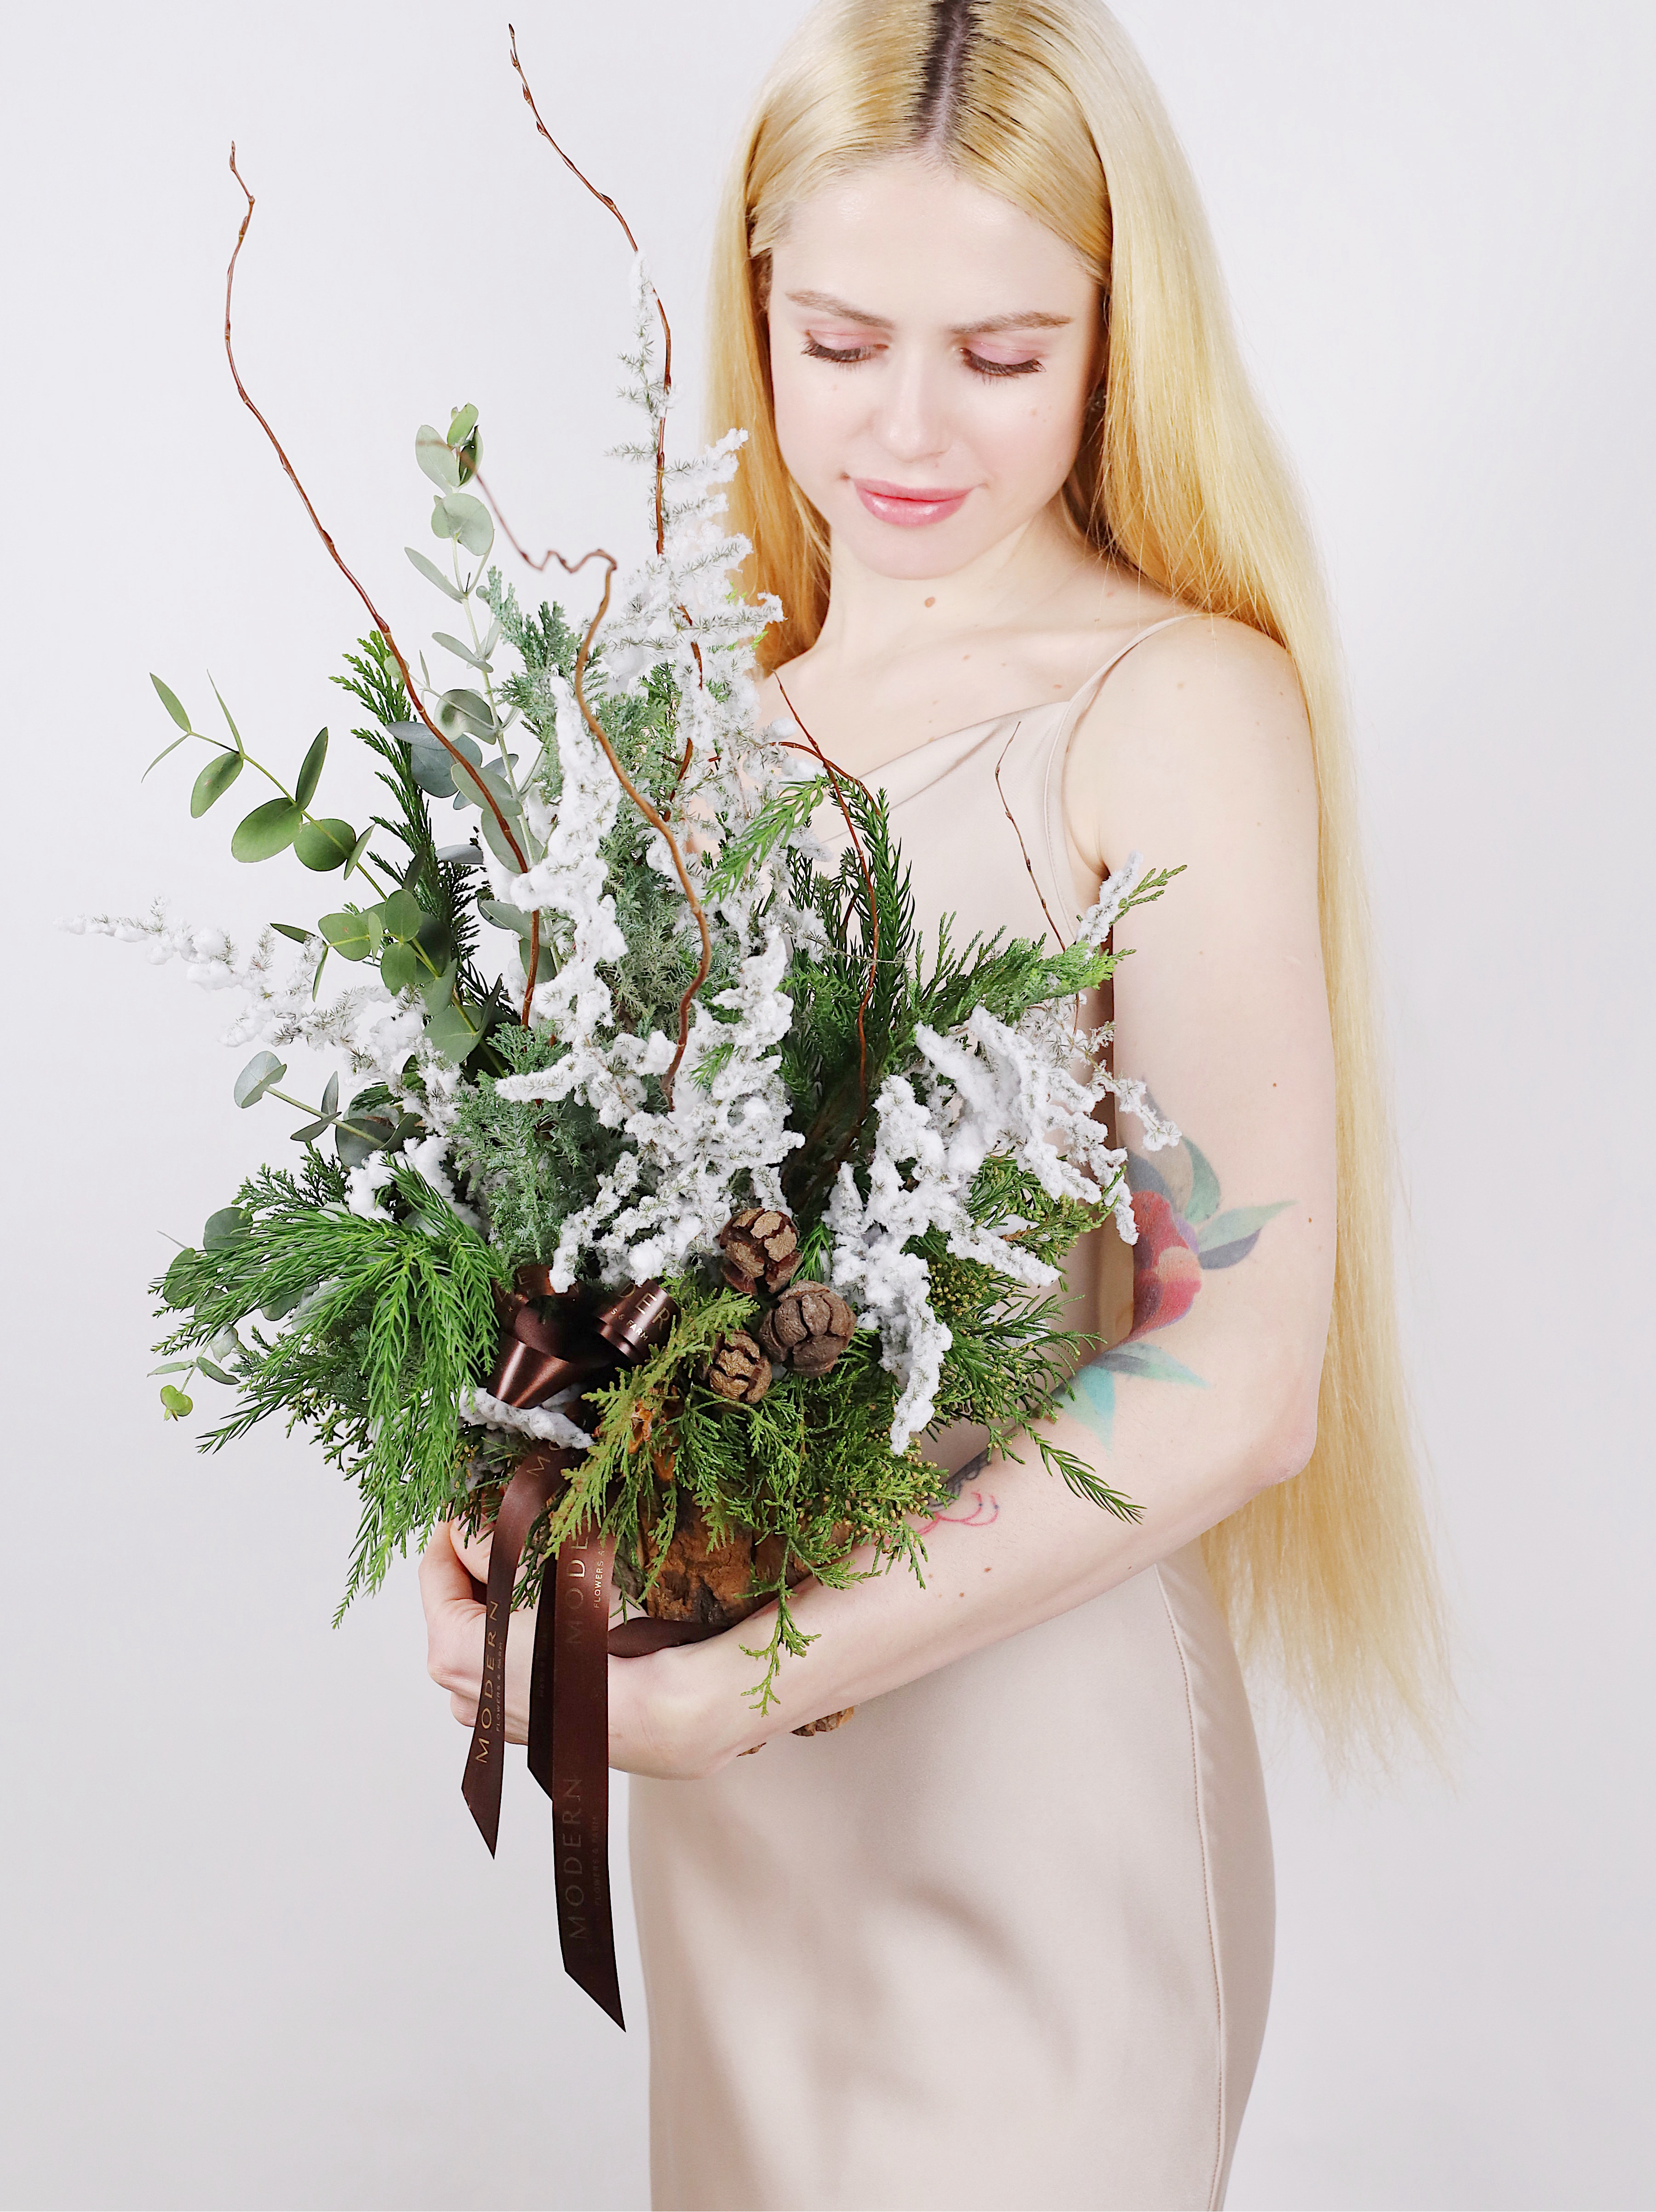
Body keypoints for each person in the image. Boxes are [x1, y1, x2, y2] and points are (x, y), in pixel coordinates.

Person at [421, 3, 1446, 2204]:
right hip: (730, 1806)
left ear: (1114, 338)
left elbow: (1240, 1373)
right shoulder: (690, 737)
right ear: (755, 310)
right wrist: (513, 1530)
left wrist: (760, 1674)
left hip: (1024, 1774)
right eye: (840, 341)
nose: (906, 426)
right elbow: (604, 1264)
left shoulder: (1166, 706)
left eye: (999, 352)